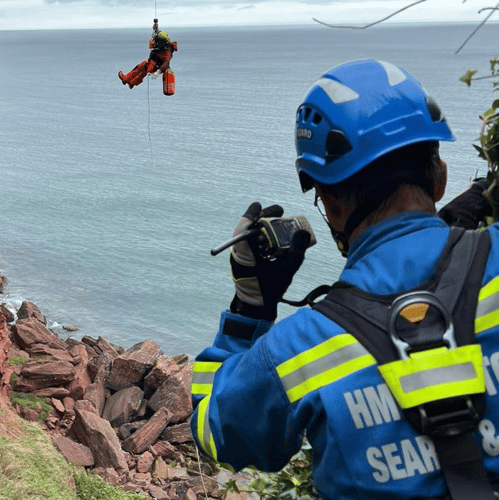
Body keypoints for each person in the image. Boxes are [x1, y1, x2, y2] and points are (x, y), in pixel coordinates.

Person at [189, 58, 499, 500]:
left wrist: (248, 310)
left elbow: (215, 430)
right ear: (441, 177)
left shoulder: (298, 349)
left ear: (330, 205)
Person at [118, 24, 177, 90]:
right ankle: (132, 83)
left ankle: (126, 79)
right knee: (143, 71)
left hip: (156, 66)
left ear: (161, 43)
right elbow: (158, 35)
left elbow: (166, 62)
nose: (155, 43)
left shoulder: (167, 51)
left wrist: (158, 72)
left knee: (141, 67)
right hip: (154, 63)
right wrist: (156, 29)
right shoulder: (163, 45)